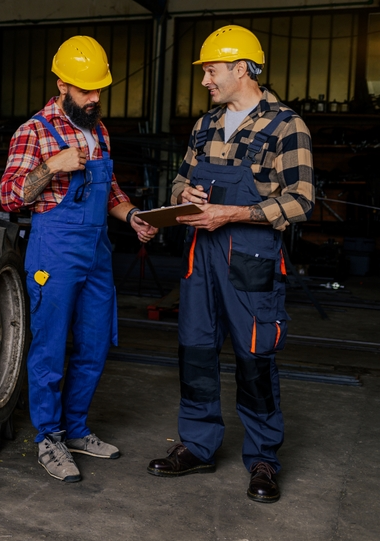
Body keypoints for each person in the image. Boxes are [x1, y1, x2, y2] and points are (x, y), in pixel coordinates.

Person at [146, 25, 314, 504]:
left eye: (211, 70)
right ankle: (197, 445)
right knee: (195, 352)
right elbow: (178, 183)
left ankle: (263, 457)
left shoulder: (286, 126)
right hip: (201, 257)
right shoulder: (204, 126)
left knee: (254, 357)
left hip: (252, 258)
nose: (204, 80)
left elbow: (302, 201)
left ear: (241, 69)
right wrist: (185, 195)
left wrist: (234, 213)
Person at [0, 35, 157, 483]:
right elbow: (10, 196)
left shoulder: (99, 129)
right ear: (62, 84)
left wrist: (133, 217)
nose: (95, 98)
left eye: (98, 89)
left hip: (97, 252)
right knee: (50, 348)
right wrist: (51, 167)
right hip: (55, 251)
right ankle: (48, 437)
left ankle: (75, 429)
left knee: (94, 343)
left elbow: (109, 191)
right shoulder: (34, 131)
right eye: (86, 89)